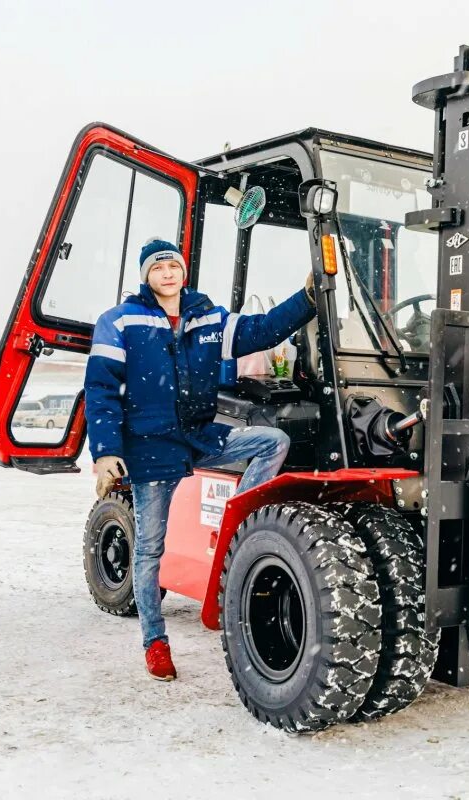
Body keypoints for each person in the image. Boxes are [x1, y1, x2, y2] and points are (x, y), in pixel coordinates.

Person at [84, 237, 315, 681]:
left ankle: (237, 527)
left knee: (271, 441)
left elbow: (262, 330)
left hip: (200, 438)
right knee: (150, 549)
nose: (167, 273)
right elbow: (101, 390)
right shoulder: (121, 321)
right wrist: (106, 452)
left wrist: (305, 299)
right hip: (150, 446)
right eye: (158, 268)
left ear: (183, 271)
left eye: (173, 265)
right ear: (146, 276)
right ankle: (155, 642)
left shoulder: (207, 317)